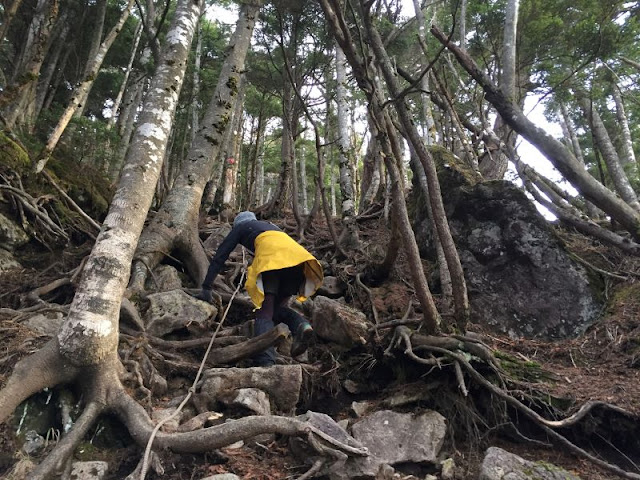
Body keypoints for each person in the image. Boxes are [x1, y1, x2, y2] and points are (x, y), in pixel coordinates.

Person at [195, 211, 323, 367]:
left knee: (264, 312)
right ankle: (302, 326)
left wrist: (207, 286)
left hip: (274, 261)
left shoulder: (242, 227)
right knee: (278, 309)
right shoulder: (272, 228)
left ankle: (265, 362)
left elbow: (221, 255)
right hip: (298, 264)